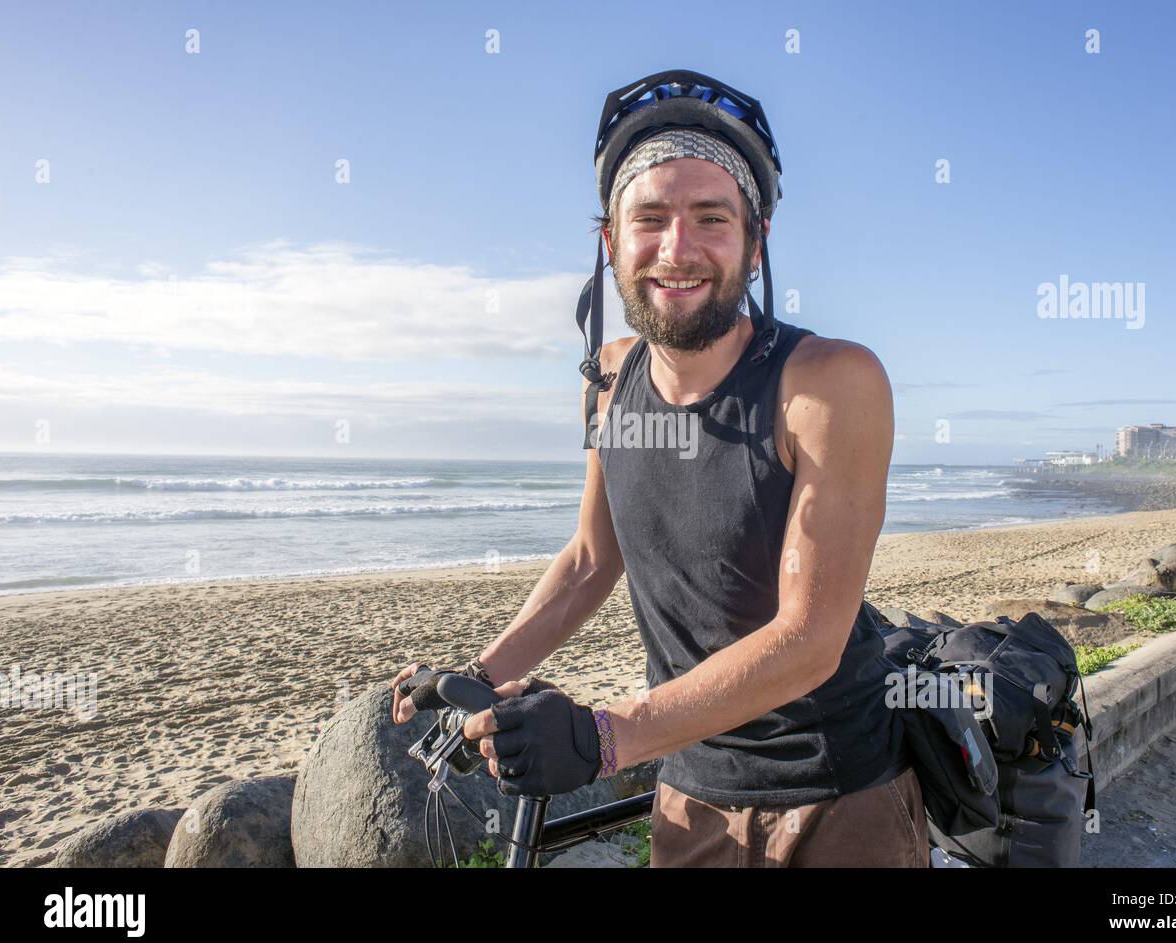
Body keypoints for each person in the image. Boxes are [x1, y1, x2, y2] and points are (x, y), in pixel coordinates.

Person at [389, 69, 926, 868]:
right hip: (690, 790)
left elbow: (812, 635)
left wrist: (606, 736)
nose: (678, 249)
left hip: (839, 795)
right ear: (611, 240)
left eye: (712, 217)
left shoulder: (827, 383)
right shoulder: (609, 379)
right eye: (650, 219)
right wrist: (480, 671)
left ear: (756, 239)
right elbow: (589, 561)